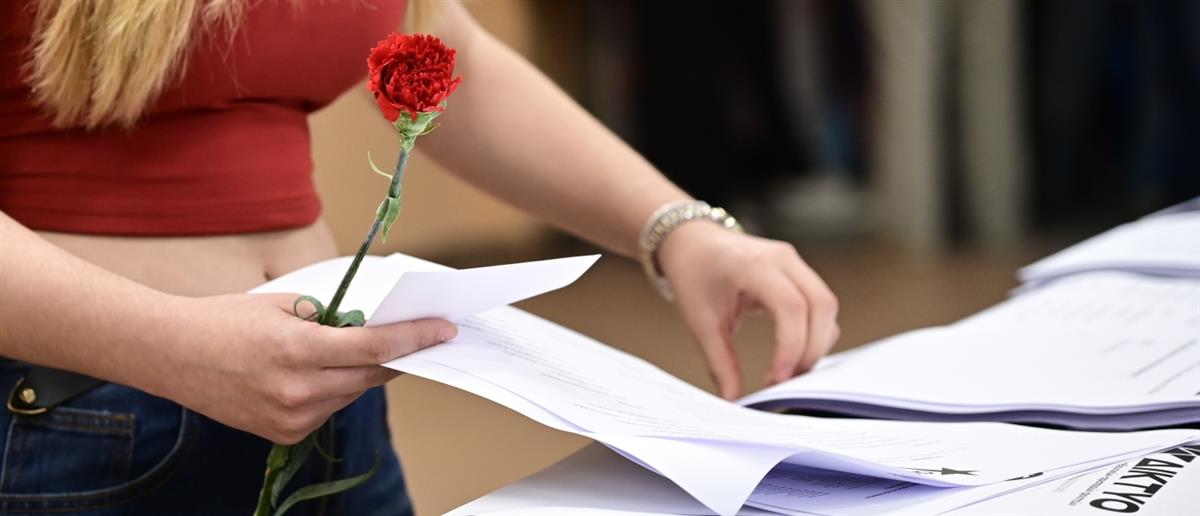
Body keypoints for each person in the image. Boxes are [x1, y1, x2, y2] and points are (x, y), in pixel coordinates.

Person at [0, 1, 839, 514]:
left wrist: (675, 226)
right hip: (88, 420)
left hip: (333, 414)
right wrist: (172, 347)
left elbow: (436, 48)